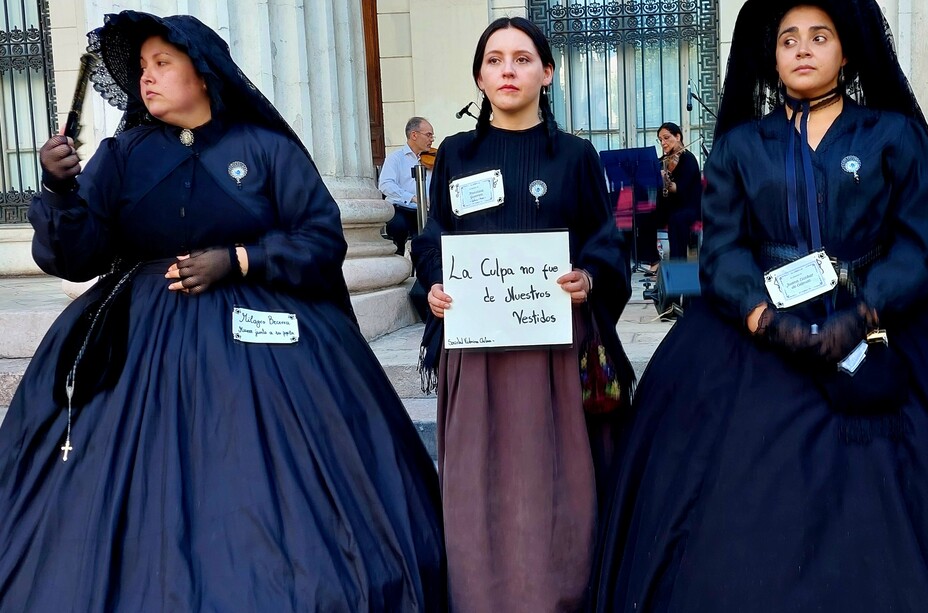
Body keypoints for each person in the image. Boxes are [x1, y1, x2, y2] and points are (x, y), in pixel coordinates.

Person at [589, 1, 928, 610]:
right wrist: (766, 321)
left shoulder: (892, 136)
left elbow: (918, 241)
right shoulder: (742, 146)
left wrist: (863, 313)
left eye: (819, 37)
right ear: (770, 56)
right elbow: (721, 249)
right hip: (752, 339)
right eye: (789, 38)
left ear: (845, 51)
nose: (802, 48)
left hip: (880, 328)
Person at [0, 12, 445, 611]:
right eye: (141, 69)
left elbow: (321, 241)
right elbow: (75, 257)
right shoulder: (122, 154)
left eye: (162, 64)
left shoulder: (265, 150)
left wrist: (239, 260)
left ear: (203, 74)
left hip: (270, 338)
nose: (147, 79)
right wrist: (58, 192)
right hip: (137, 342)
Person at [411, 16, 633, 612]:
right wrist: (433, 285)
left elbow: (606, 240)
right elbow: (435, 238)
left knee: (555, 483)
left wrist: (589, 276)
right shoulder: (455, 155)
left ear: (547, 72)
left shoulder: (577, 157)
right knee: (478, 485)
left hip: (556, 353)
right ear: (480, 77)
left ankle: (558, 594)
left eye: (523, 58)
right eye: (494, 60)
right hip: (477, 354)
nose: (508, 69)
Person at [379, 117, 435, 255]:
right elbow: (385, 184)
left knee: (428, 235)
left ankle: (423, 270)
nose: (432, 139)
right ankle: (398, 258)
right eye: (428, 135)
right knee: (398, 226)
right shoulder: (396, 158)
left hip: (425, 211)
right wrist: (413, 198)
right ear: (414, 135)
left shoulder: (434, 159)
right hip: (401, 209)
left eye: (432, 135)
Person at [655, 122, 701, 263]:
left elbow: (679, 189)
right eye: (660, 139)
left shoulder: (688, 159)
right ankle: (653, 260)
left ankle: (678, 264)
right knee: (641, 216)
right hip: (669, 207)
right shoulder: (663, 160)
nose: (663, 143)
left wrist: (666, 180)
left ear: (678, 136)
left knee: (676, 220)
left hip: (688, 207)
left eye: (666, 138)